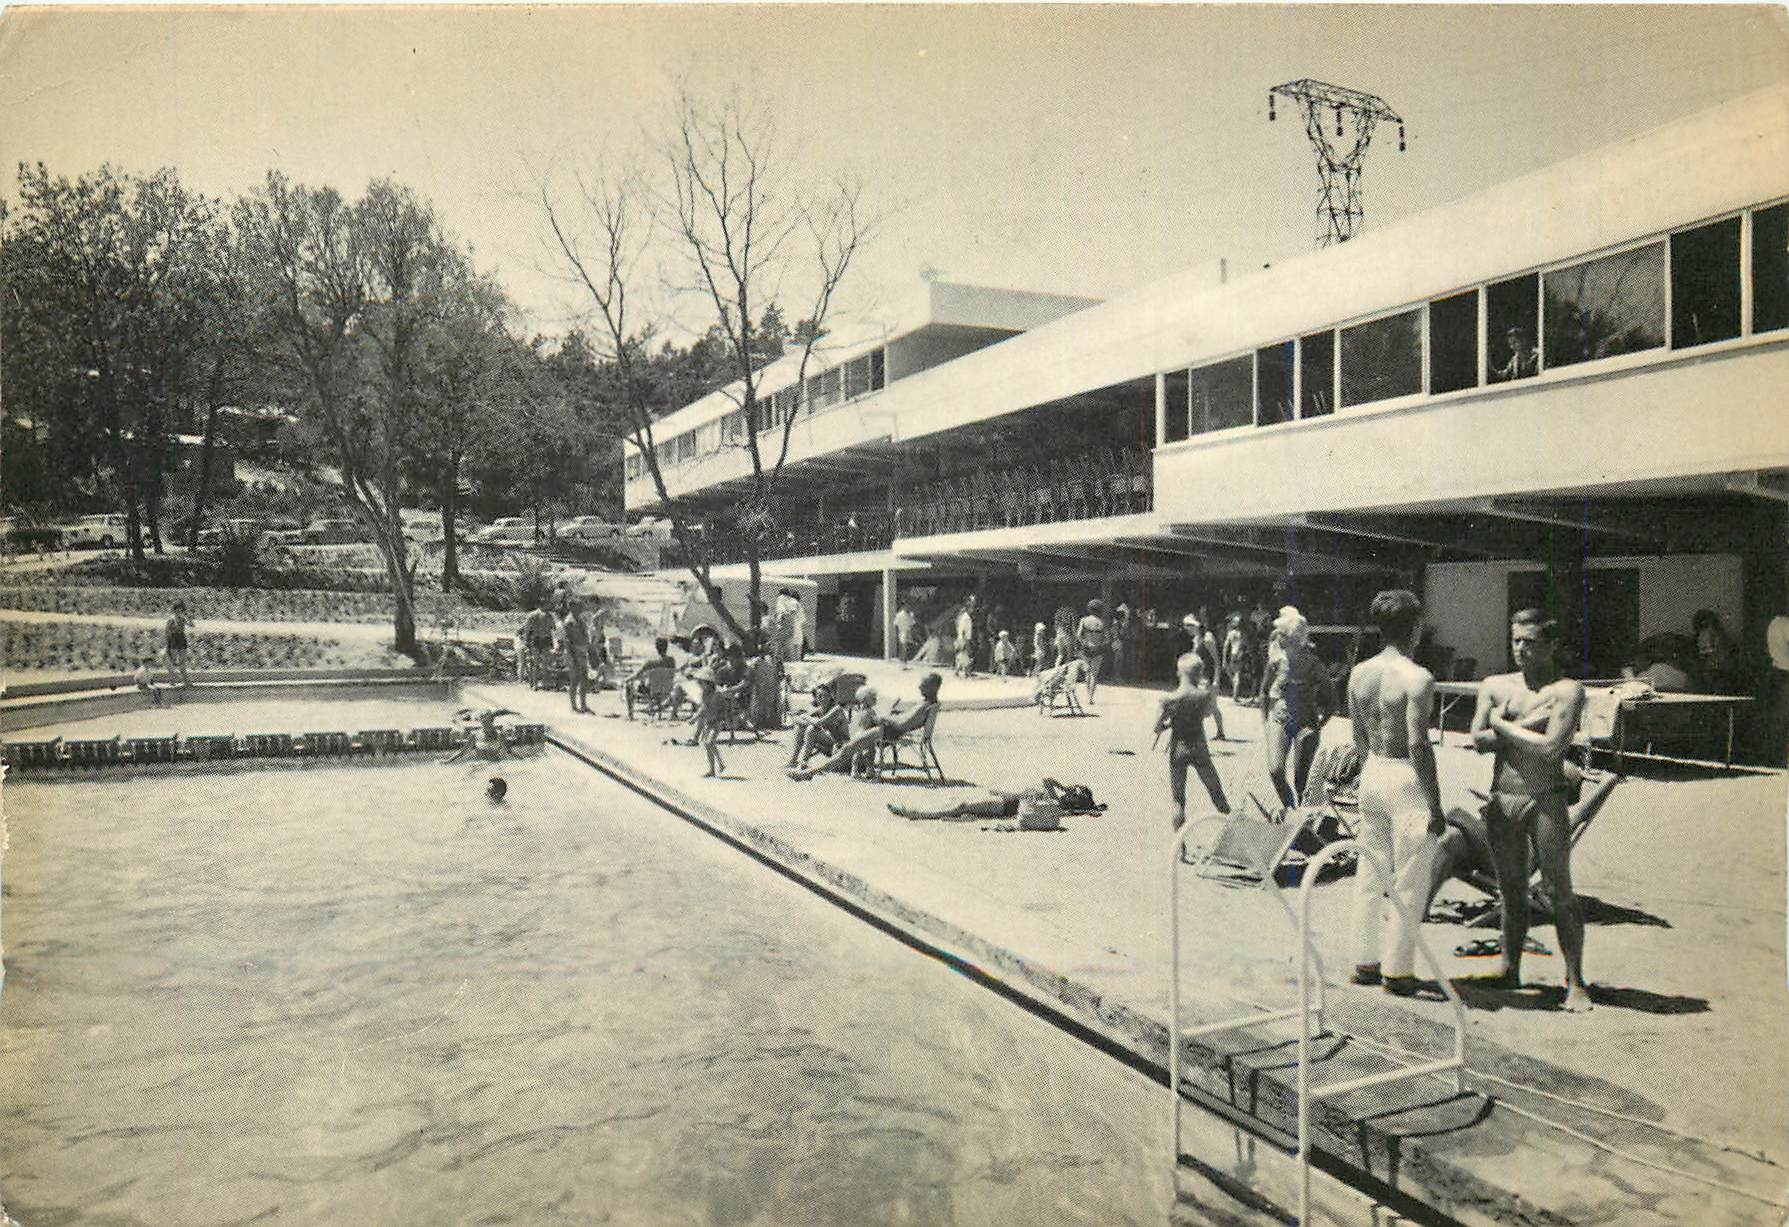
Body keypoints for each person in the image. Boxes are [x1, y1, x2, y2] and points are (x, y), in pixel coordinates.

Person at [1470, 608, 1592, 1012]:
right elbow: (1477, 739)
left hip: (1545, 799)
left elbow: (1552, 748)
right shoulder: (1495, 683)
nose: (1520, 649)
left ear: (1552, 645)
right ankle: (1510, 968)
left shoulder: (1567, 690)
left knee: (1558, 891)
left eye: (1531, 642)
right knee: (1511, 890)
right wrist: (1531, 724)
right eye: (1516, 640)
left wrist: (1503, 726)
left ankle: (1575, 980)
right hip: (1502, 797)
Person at [1345, 591, 1446, 996]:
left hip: (1373, 770)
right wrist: (1435, 802)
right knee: (1409, 876)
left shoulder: (1359, 674)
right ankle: (1398, 970)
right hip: (1405, 776)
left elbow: (1357, 739)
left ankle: (1364, 961)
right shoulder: (1418, 678)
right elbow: (1419, 744)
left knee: (1370, 871)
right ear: (1416, 627)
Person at [787, 673, 943, 781]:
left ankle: (810, 772)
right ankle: (861, 766)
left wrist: (884, 718)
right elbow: (904, 720)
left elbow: (902, 724)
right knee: (850, 743)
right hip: (887, 729)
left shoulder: (924, 706)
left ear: (932, 687)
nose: (919, 686)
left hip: (887, 731)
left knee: (847, 750)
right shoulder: (927, 705)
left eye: (923, 684)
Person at [1260, 607, 1335, 808]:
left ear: (1294, 638)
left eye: (1282, 634)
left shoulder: (1314, 664)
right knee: (1275, 770)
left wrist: (1320, 723)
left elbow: (1331, 699)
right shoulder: (1275, 662)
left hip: (1306, 722)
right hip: (1279, 718)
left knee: (1302, 781)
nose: (1277, 637)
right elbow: (1264, 691)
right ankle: (1289, 806)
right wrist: (1265, 720)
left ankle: (1302, 818)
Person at [1156, 653, 1231, 853]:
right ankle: (1234, 833)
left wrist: (1168, 723)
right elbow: (1207, 713)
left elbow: (1157, 727)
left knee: (1178, 799)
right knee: (1216, 792)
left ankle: (1181, 849)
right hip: (1199, 747)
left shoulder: (1169, 699)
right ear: (1199, 674)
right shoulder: (1203, 696)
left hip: (1178, 749)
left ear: (1179, 672)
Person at [785, 681, 849, 769]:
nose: (822, 698)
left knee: (811, 729)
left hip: (841, 746)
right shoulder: (821, 709)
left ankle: (804, 762)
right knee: (800, 727)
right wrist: (807, 719)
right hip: (829, 743)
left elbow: (818, 723)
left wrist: (807, 718)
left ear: (831, 696)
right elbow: (797, 720)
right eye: (819, 696)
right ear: (816, 698)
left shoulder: (836, 709)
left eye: (825, 695)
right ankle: (793, 760)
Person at [444, 707, 519, 765]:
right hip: (479, 765)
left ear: (492, 721)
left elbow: (509, 752)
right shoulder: (475, 735)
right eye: (483, 722)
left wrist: (524, 760)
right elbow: (463, 751)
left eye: (487, 721)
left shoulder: (499, 735)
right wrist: (448, 761)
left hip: (495, 765)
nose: (485, 724)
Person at [689, 667, 727, 778]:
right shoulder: (704, 695)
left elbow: (723, 707)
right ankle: (712, 769)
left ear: (709, 683)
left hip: (716, 722)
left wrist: (724, 719)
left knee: (709, 742)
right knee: (707, 744)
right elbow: (702, 708)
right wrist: (694, 718)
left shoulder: (717, 694)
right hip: (708, 722)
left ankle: (720, 763)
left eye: (702, 683)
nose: (700, 686)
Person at [561, 600, 593, 713]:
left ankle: (584, 705)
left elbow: (586, 635)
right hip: (573, 653)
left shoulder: (580, 619)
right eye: (578, 606)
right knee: (575, 680)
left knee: (584, 678)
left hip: (582, 652)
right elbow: (567, 640)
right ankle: (574, 706)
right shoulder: (569, 621)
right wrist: (572, 656)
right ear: (572, 607)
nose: (581, 608)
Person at [1076, 599, 1109, 705]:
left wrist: (1084, 643)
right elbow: (1107, 638)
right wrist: (1099, 644)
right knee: (1094, 674)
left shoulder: (1084, 620)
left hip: (1086, 648)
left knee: (1087, 672)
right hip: (1098, 649)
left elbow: (1078, 635)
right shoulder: (1102, 622)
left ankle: (1087, 694)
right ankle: (1090, 697)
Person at [520, 601, 554, 689]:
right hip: (545, 639)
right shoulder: (549, 615)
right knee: (545, 663)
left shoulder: (532, 615)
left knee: (535, 663)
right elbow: (553, 627)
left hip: (536, 639)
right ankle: (544, 683)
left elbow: (527, 628)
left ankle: (535, 684)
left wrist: (525, 640)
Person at [164, 602, 192, 687]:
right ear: (174, 609)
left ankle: (185, 681)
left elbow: (192, 625)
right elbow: (167, 631)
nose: (179, 611)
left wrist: (188, 617)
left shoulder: (183, 618)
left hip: (181, 639)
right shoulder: (171, 619)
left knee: (182, 661)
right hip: (173, 639)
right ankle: (172, 680)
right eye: (178, 609)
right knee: (173, 661)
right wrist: (168, 643)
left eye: (181, 609)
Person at [1222, 616, 1248, 699]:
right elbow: (1245, 644)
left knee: (1231, 672)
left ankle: (1235, 689)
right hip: (1240, 653)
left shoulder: (1230, 633)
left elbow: (1226, 646)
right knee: (1237, 674)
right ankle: (1235, 692)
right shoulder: (1243, 634)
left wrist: (1224, 658)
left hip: (1232, 652)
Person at [954, 599, 976, 677]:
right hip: (964, 638)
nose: (973, 610)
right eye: (972, 608)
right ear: (968, 608)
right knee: (966, 654)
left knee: (962, 654)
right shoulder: (966, 617)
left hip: (964, 638)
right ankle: (966, 671)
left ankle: (958, 670)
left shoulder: (966, 617)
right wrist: (965, 640)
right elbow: (963, 629)